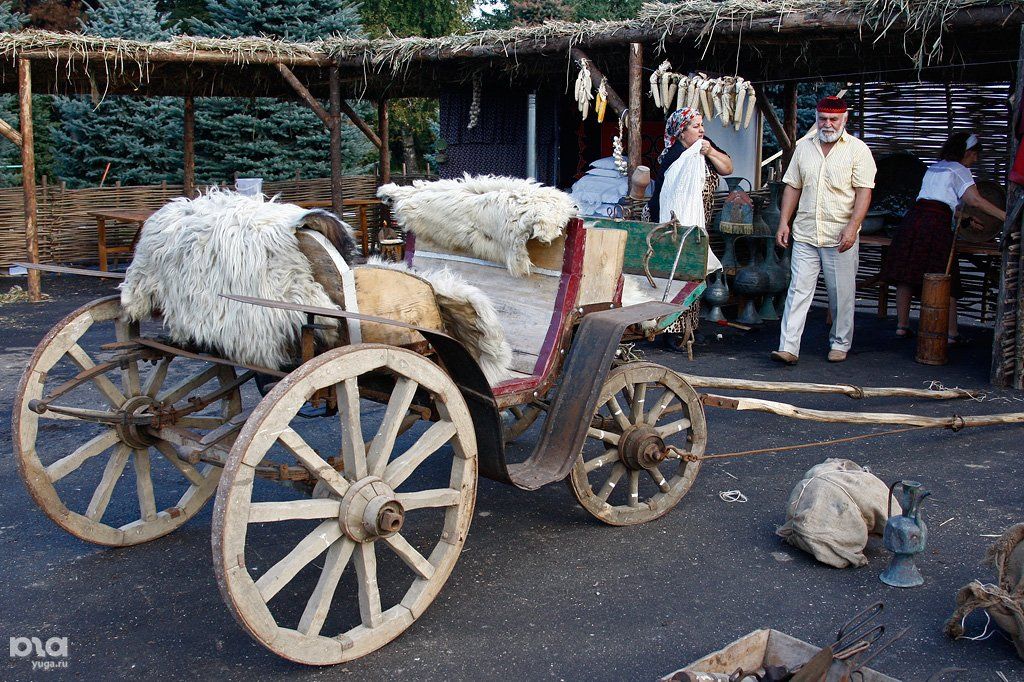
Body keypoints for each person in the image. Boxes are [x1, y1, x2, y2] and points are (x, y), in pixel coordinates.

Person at [771, 96, 876, 365]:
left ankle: (840, 343)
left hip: (839, 235)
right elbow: (792, 186)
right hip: (806, 231)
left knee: (841, 294)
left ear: (844, 119)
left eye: (833, 119)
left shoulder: (858, 150)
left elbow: (864, 193)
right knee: (797, 291)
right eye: (822, 119)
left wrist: (852, 227)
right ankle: (788, 347)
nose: (827, 124)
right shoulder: (804, 148)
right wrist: (784, 221)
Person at [879, 132, 1006, 344]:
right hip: (935, 226)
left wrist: (966, 219)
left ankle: (902, 326)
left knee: (907, 274)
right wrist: (1005, 216)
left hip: (914, 220)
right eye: (975, 155)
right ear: (967, 152)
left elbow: (934, 201)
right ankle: (951, 334)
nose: (976, 160)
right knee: (945, 276)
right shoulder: (959, 170)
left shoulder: (935, 168)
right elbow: (975, 200)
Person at [650, 107, 734, 225]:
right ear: (681, 133)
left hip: (697, 219)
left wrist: (711, 152)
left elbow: (728, 169)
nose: (702, 130)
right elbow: (673, 199)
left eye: (702, 125)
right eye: (696, 126)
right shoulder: (675, 156)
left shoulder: (703, 143)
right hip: (672, 221)